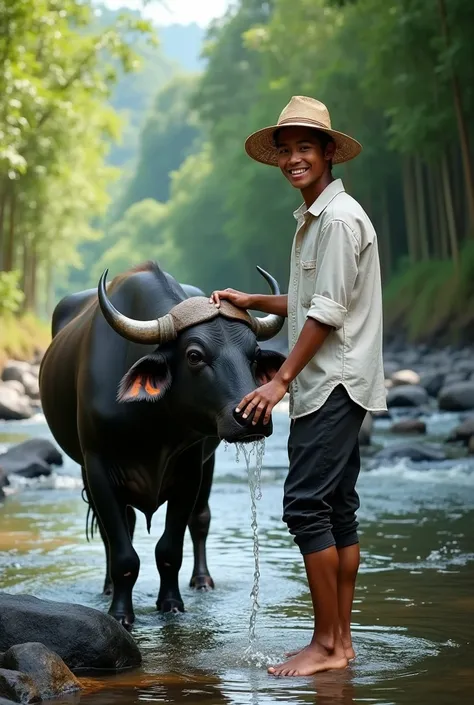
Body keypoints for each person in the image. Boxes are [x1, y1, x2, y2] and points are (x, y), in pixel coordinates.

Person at [210, 96, 387, 677]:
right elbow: (310, 300)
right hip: (337, 379)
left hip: (330, 381)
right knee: (337, 510)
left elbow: (327, 313)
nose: (292, 160)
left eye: (304, 148)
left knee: (306, 507)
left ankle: (327, 644)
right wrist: (252, 299)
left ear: (329, 152)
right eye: (285, 151)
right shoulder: (317, 218)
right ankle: (341, 643)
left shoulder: (335, 220)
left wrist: (279, 380)